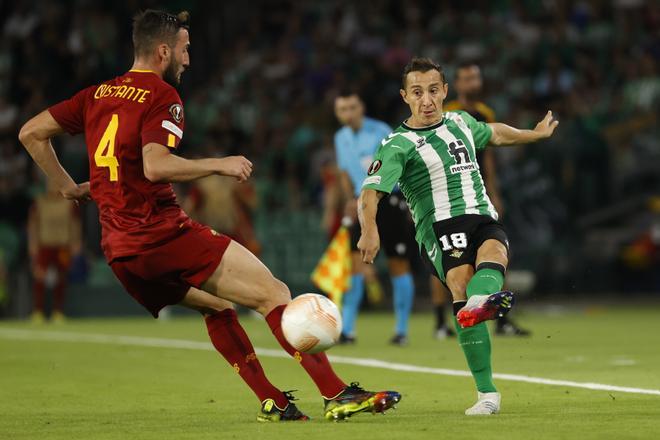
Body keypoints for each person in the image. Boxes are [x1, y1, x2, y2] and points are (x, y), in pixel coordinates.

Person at [18, 9, 400, 422]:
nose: (188, 59)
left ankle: (273, 401)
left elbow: (30, 133)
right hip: (161, 234)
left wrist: (66, 186)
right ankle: (336, 392)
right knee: (274, 293)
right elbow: (155, 165)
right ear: (163, 51)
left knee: (217, 308)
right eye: (184, 50)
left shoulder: (95, 95)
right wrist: (221, 163)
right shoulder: (162, 96)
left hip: (121, 252)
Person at [358, 57, 558, 415]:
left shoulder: (462, 121)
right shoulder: (397, 144)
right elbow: (370, 193)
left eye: (434, 90)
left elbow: (494, 133)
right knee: (460, 282)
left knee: (495, 253)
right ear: (406, 96)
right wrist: (369, 230)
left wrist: (535, 134)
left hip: (481, 214)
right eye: (418, 93)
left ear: (445, 91)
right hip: (440, 226)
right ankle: (486, 392)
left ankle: (479, 309)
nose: (427, 100)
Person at [441, 62, 531, 337]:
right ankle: (440, 321)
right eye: (467, 77)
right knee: (450, 261)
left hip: (479, 194)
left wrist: (495, 191)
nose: (473, 82)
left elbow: (488, 153)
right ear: (456, 84)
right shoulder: (448, 114)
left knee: (497, 250)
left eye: (476, 77)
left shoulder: (484, 113)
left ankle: (499, 318)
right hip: (451, 196)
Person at [333, 90, 416, 346]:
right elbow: (344, 172)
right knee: (355, 267)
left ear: (361, 108)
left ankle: (401, 329)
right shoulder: (340, 138)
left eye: (352, 107)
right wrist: (349, 198)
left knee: (397, 264)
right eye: (342, 109)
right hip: (361, 203)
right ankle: (347, 330)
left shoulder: (381, 131)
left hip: (389, 201)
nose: (348, 113)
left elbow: (403, 165)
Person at [27, 179, 82, 323]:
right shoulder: (39, 202)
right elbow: (32, 224)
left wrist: (76, 243)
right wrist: (33, 244)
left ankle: (58, 312)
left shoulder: (69, 203)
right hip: (44, 244)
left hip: (62, 245)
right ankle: (38, 311)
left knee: (61, 278)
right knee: (40, 277)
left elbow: (75, 224)